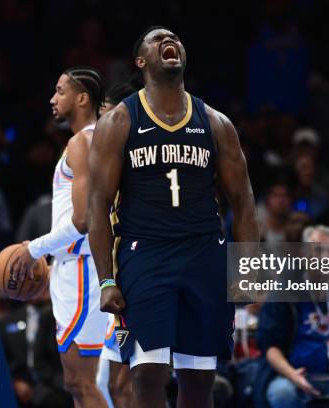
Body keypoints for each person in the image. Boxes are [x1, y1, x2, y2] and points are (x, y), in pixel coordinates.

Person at [88, 26, 259, 408]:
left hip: (203, 254)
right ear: (141, 61)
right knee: (148, 374)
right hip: (144, 252)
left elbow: (243, 201)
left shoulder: (215, 122)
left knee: (200, 382)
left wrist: (248, 270)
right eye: (157, 39)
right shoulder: (119, 121)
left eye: (176, 37)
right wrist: (105, 281)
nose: (170, 40)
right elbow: (97, 206)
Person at [10, 67, 108, 408]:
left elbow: (84, 221)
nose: (53, 99)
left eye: (60, 90)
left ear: (82, 98)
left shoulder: (83, 141)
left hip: (83, 270)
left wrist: (32, 249)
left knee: (84, 381)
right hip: (76, 265)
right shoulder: (92, 140)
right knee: (78, 382)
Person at [256, 225, 329, 408]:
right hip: (293, 376)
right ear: (303, 253)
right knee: (282, 394)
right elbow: (270, 346)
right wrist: (293, 376)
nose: (324, 257)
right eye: (318, 250)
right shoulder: (284, 292)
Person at [95, 80, 140, 408]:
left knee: (126, 384)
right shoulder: (107, 161)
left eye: (108, 115)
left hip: (140, 279)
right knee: (112, 384)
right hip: (119, 279)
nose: (104, 123)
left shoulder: (136, 165)